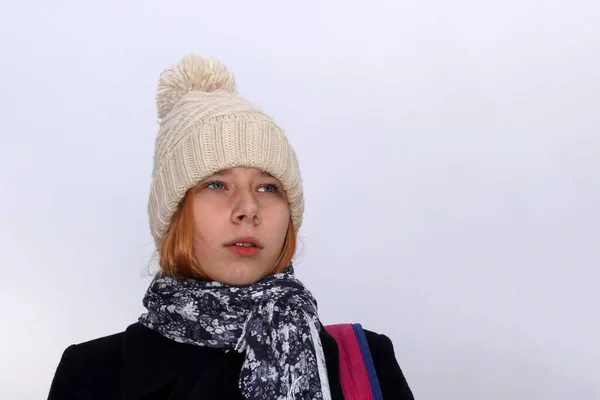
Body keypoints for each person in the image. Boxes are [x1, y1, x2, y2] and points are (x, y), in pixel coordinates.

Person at [47, 54, 415, 400]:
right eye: (216, 185)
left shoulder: (365, 363)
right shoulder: (94, 373)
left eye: (268, 187)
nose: (248, 209)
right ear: (174, 212)